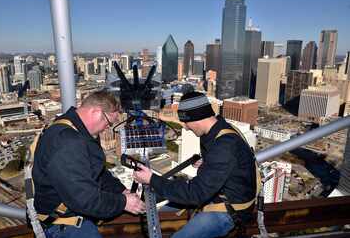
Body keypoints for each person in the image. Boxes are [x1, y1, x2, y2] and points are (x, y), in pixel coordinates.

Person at [134, 91, 257, 238]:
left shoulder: (223, 145)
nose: (185, 127)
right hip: (216, 195)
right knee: (160, 213)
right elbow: (228, 165)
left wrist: (151, 179)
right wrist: (208, 164)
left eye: (186, 122)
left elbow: (196, 193)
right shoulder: (217, 131)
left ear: (196, 118)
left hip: (230, 210)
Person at [33, 90, 145, 238]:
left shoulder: (73, 129)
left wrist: (120, 191)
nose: (108, 128)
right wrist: (123, 202)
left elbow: (97, 172)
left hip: (71, 216)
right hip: (64, 225)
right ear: (96, 112)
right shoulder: (67, 142)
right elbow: (84, 199)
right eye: (109, 122)